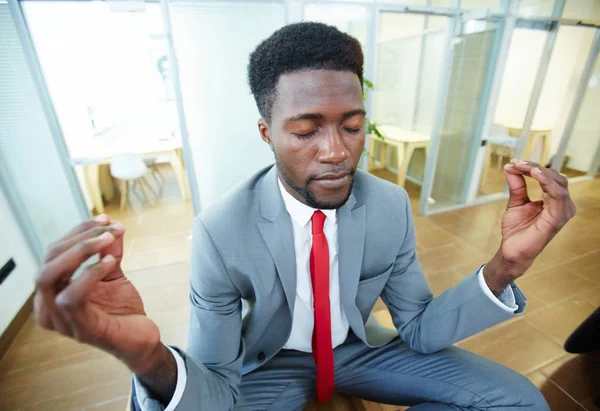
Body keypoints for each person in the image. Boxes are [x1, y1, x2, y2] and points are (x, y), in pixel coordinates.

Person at [34, 22, 576, 410]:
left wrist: (505, 265)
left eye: (352, 125)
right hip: (270, 365)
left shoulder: (388, 205)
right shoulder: (222, 230)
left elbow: (418, 329)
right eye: (306, 129)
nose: (337, 151)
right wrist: (150, 357)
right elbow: (217, 382)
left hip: (361, 350)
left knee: (518, 400)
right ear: (268, 133)